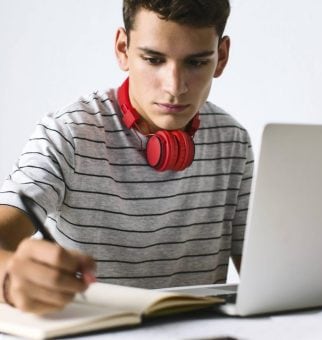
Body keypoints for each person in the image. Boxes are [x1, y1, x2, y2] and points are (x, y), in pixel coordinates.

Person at [0, 0, 253, 315]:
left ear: (222, 57)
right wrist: (8, 276)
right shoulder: (68, 133)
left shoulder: (234, 141)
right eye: (153, 59)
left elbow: (267, 279)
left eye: (196, 63)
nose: (174, 87)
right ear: (123, 49)